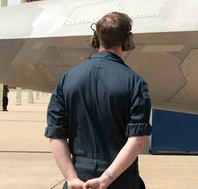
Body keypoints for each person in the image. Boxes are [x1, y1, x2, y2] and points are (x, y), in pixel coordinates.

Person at [45, 12, 152, 189]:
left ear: (96, 39)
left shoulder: (66, 80)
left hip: (78, 182)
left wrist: (71, 178)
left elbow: (56, 135)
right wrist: (106, 179)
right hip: (120, 182)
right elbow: (137, 140)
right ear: (127, 41)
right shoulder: (135, 83)